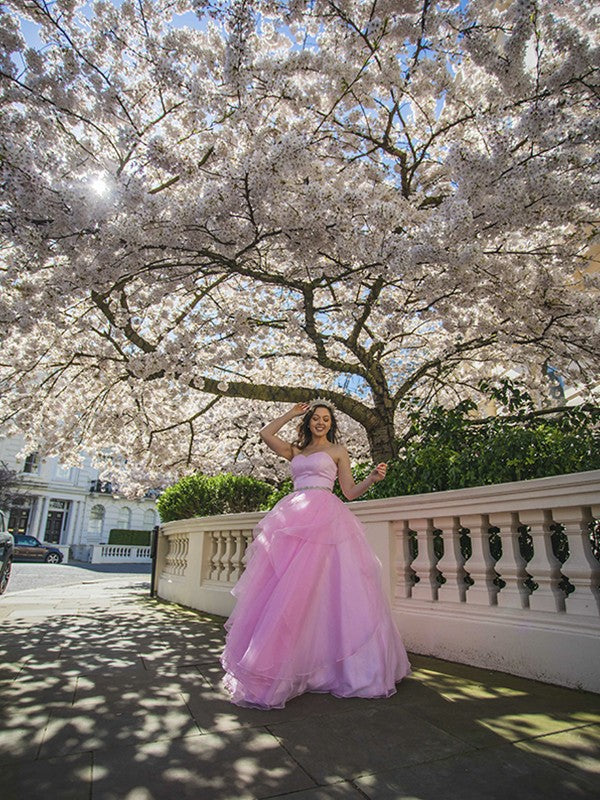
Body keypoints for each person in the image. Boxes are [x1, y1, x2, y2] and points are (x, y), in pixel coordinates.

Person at [220, 400, 411, 709]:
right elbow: (265, 434)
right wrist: (291, 413)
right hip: (293, 517)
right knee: (290, 590)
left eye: (326, 419)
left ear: (331, 424)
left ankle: (337, 669)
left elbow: (349, 492)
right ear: (308, 421)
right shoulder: (295, 450)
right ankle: (289, 666)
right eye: (315, 418)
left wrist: (372, 479)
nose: (321, 422)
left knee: (326, 588)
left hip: (327, 518)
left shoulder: (338, 451)